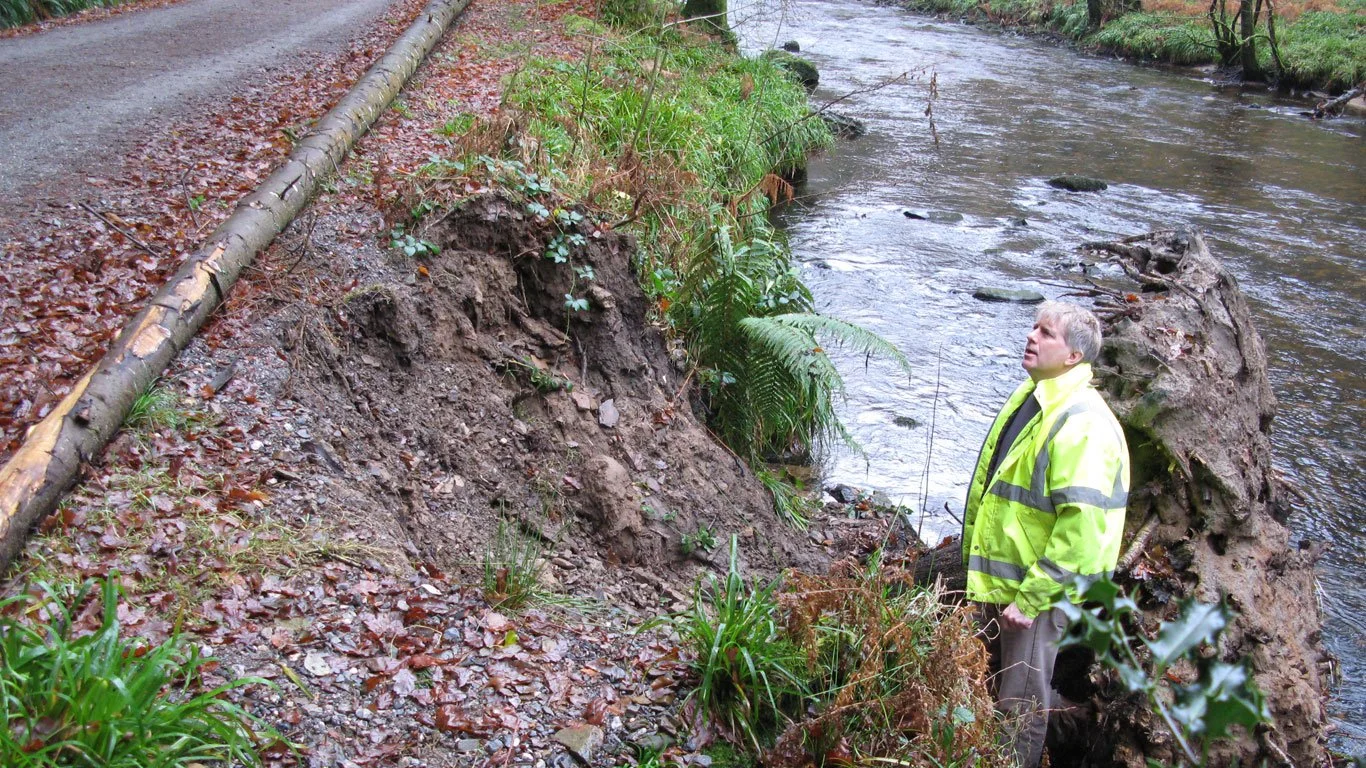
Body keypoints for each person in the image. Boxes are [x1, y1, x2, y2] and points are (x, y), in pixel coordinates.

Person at [961, 301, 1130, 767]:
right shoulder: (1034, 397)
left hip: (1037, 593)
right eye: (1033, 327)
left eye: (1046, 333)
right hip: (1010, 584)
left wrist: (1032, 598)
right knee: (1002, 689)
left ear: (1074, 356)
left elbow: (1082, 531)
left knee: (1021, 704)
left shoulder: (1084, 424)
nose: (1032, 336)